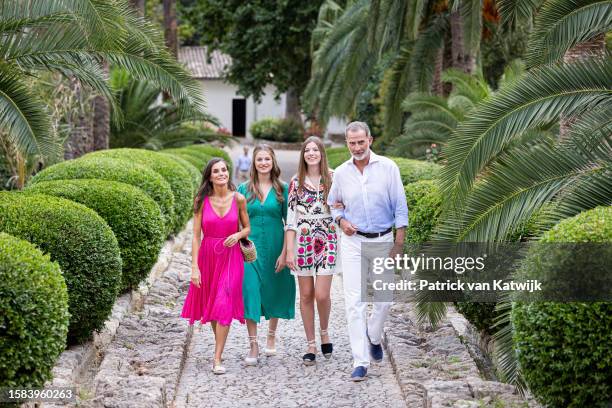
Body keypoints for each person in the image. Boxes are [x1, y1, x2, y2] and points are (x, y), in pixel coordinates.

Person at [327, 121, 408, 381]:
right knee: (354, 302)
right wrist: (341, 221)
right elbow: (333, 205)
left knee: (384, 301)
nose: (357, 147)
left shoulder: (388, 168)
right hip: (352, 243)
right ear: (347, 144)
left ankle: (374, 336)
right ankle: (360, 360)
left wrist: (399, 242)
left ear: (370, 140)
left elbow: (400, 206)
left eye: (361, 142)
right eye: (352, 143)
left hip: (383, 240)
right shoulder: (340, 173)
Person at [181, 158, 251, 375]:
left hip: (232, 257)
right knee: (214, 308)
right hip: (208, 257)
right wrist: (194, 267)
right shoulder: (201, 201)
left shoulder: (239, 199)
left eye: (224, 170)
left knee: (224, 299)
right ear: (209, 177)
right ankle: (219, 344)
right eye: (216, 171)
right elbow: (195, 237)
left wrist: (238, 234)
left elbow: (248, 227)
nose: (222, 173)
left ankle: (217, 357)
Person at [237, 145, 295, 366]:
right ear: (253, 162)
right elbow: (236, 221)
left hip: (275, 246)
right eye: (259, 159)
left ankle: (271, 334)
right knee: (250, 291)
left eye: (267, 159)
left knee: (275, 289)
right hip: (249, 250)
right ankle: (253, 343)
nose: (263, 163)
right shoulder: (243, 189)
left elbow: (290, 223)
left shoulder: (283, 189)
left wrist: (285, 252)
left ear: (273, 162)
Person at [285, 136, 338, 366]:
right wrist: (289, 250)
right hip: (303, 240)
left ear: (322, 153)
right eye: (307, 150)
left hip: (328, 238)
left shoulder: (334, 178)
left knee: (322, 294)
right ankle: (311, 344)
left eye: (315, 149)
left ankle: (324, 330)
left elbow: (344, 207)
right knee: (306, 294)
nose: (311, 153)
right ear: (303, 154)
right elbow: (290, 219)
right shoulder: (296, 182)